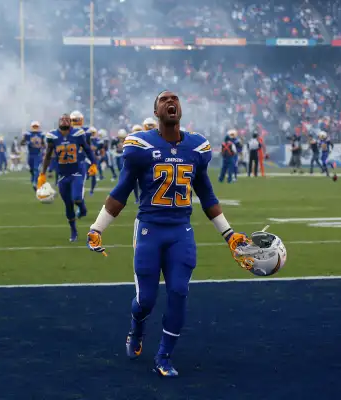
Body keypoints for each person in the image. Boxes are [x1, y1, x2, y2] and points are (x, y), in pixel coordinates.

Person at [86, 90, 250, 377]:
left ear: (180, 109)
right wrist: (97, 228)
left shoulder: (196, 148)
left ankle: (164, 355)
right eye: (164, 99)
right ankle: (137, 329)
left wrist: (229, 234)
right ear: (156, 111)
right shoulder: (140, 146)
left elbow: (207, 196)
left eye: (175, 99)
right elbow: (121, 192)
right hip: (150, 228)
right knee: (146, 300)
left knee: (178, 291)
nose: (170, 102)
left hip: (180, 231)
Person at [37, 114, 98, 242]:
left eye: (67, 119)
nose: (64, 120)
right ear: (58, 122)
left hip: (77, 171)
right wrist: (42, 173)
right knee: (68, 205)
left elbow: (87, 149)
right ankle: (73, 231)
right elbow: (48, 155)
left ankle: (82, 208)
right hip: (62, 174)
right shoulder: (53, 137)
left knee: (76, 197)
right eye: (62, 119)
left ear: (70, 123)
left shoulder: (78, 134)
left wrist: (93, 164)